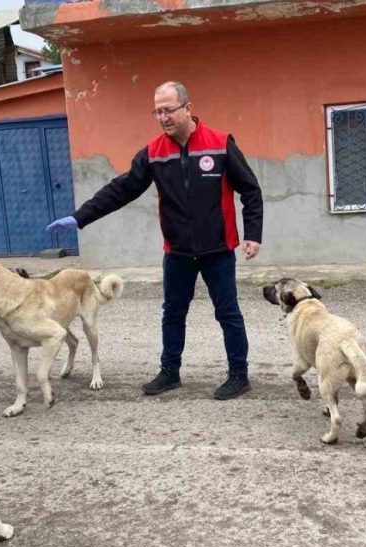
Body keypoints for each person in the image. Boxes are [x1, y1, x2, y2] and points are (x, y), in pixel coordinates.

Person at [47, 81, 263, 400]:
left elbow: (250, 190)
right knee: (172, 312)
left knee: (228, 312)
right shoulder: (154, 153)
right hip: (177, 251)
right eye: (157, 112)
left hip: (218, 249)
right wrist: (80, 217)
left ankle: (239, 375)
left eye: (168, 110)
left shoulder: (219, 143)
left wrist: (253, 234)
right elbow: (121, 189)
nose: (163, 117)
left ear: (188, 108)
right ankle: (170, 371)